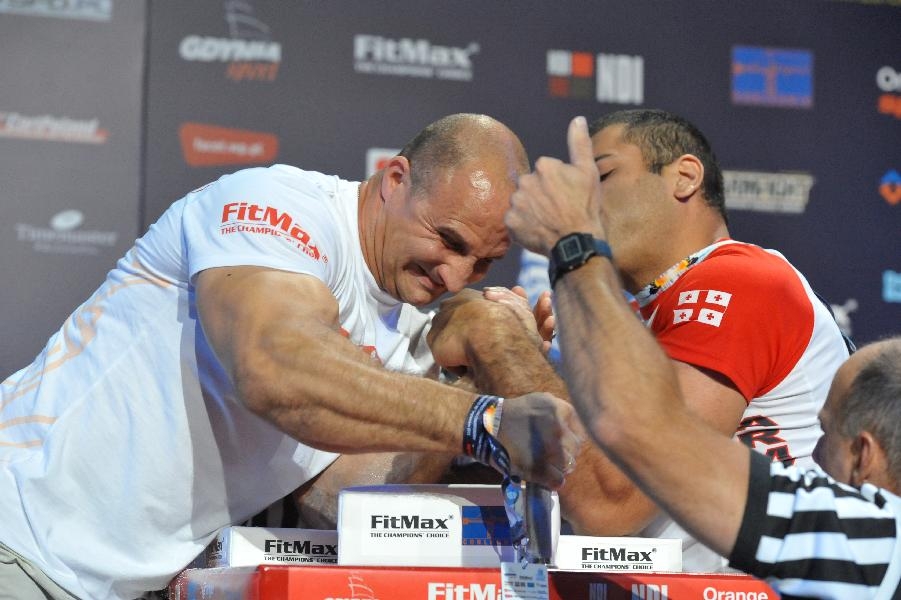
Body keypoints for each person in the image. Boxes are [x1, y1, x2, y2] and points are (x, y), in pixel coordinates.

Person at [0, 113, 580, 600]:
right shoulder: (279, 208)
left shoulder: (411, 324)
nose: (455, 275)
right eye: (448, 240)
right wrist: (482, 420)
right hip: (19, 536)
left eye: (481, 264)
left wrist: (462, 379)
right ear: (395, 178)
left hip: (115, 583)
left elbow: (345, 498)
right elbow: (276, 369)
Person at [427, 109, 851, 573]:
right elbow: (561, 480)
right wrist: (500, 376)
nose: (582, 198)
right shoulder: (638, 321)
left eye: (603, 175)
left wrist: (498, 341)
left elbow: (610, 499)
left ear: (685, 177)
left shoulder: (740, 279)